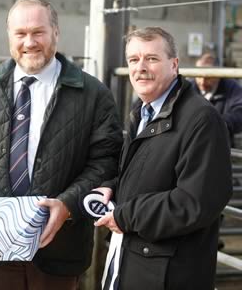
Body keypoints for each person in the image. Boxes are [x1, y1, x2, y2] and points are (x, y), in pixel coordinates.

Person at [0, 0, 123, 290]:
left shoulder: (93, 94)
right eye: (20, 33)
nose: (29, 42)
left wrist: (68, 205)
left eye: (38, 32)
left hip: (60, 247)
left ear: (56, 33)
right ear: (9, 36)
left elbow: (105, 162)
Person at [95, 27, 233, 290]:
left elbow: (194, 202)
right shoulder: (142, 112)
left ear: (174, 64)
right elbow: (145, 172)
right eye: (134, 60)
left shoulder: (201, 120)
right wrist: (112, 188)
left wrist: (126, 216)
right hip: (136, 261)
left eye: (152, 59)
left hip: (169, 274)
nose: (141, 67)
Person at [191, 52, 242, 147]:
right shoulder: (189, 87)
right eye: (198, 75)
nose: (202, 81)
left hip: (221, 146)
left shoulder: (232, 87)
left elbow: (239, 112)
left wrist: (219, 123)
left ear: (218, 74)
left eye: (208, 77)